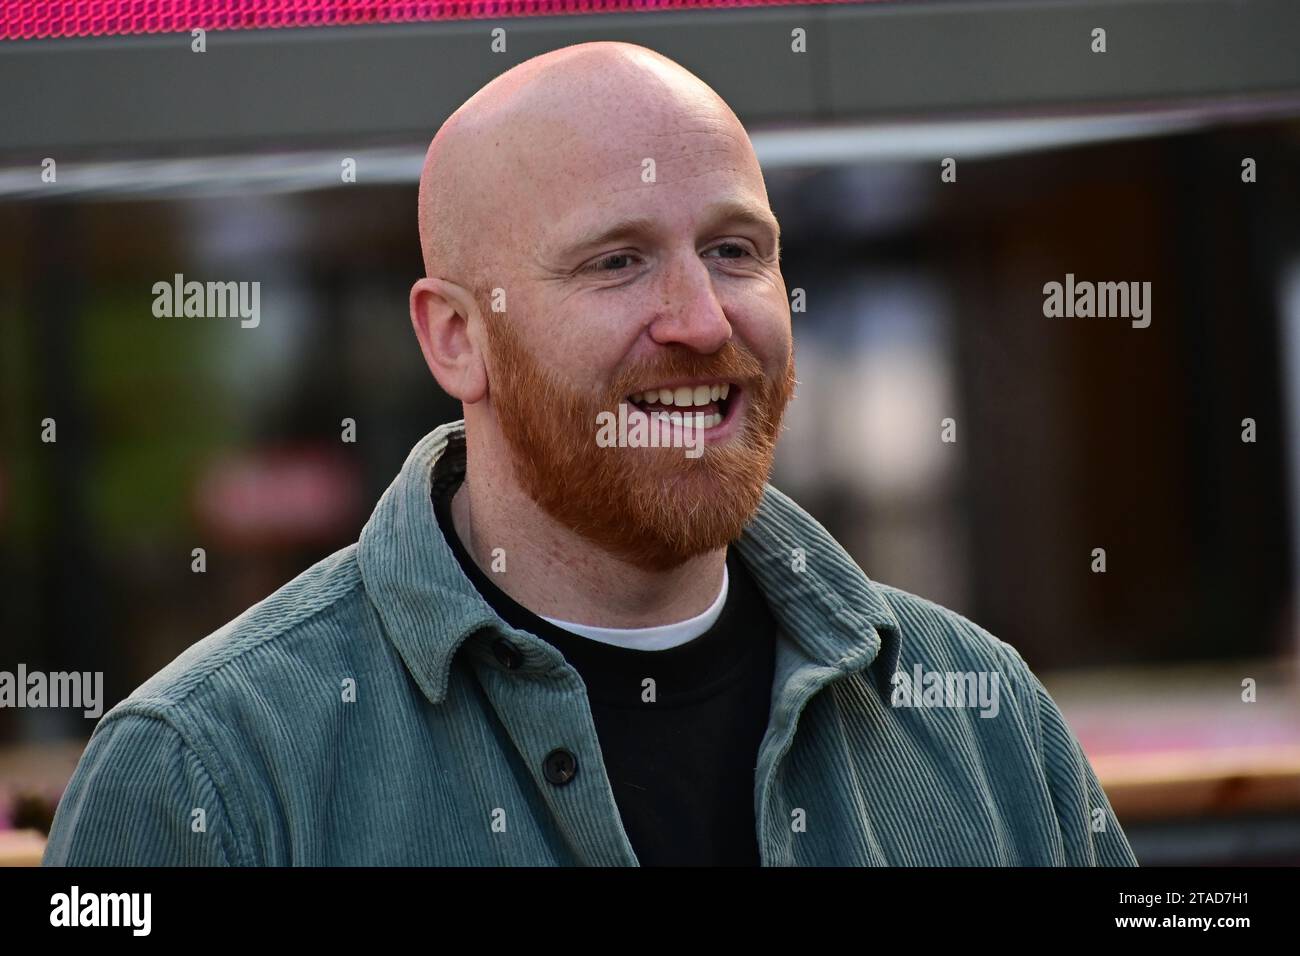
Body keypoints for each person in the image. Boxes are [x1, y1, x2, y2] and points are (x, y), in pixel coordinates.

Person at [43, 41, 1136, 866]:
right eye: (616, 261)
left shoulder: (984, 714)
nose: (701, 318)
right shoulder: (201, 775)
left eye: (734, 249)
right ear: (454, 337)